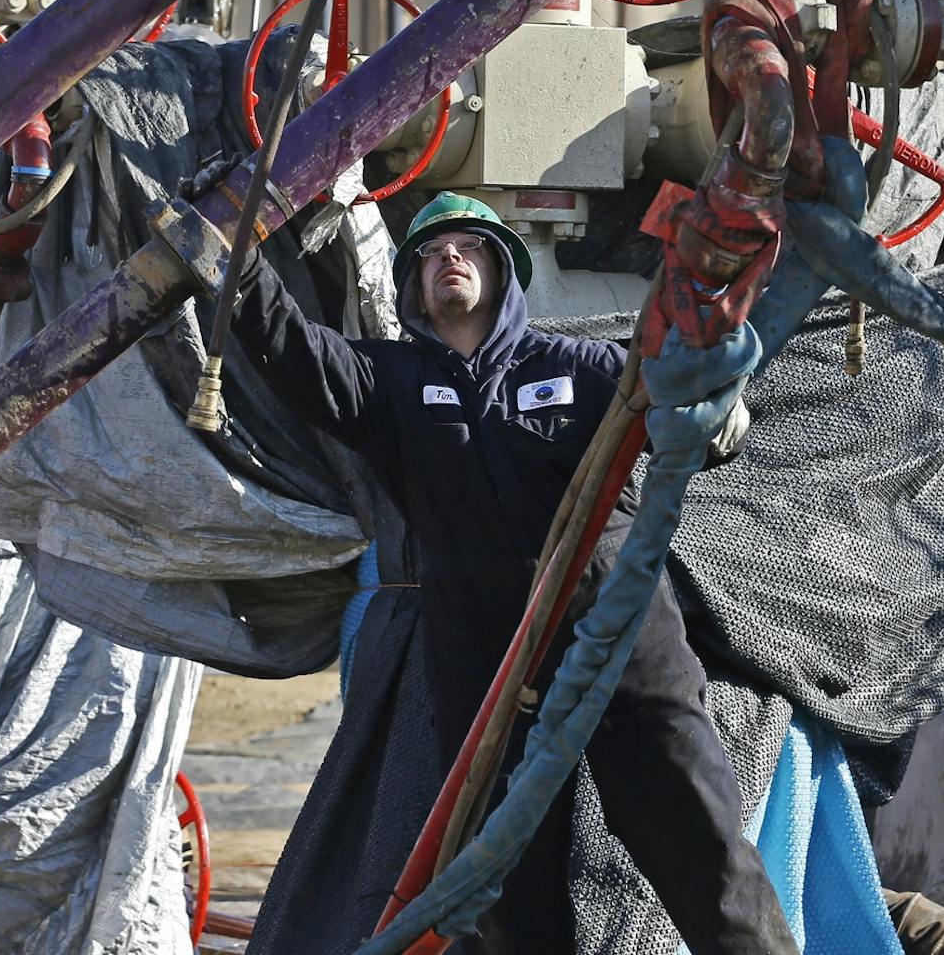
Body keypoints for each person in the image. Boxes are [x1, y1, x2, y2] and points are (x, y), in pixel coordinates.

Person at [225, 191, 796, 953]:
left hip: (619, 639)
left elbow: (684, 421)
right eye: (429, 253)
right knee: (506, 888)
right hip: (482, 662)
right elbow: (285, 345)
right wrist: (236, 241)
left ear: (503, 270)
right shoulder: (386, 383)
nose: (446, 258)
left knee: (699, 839)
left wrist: (715, 408)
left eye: (466, 245)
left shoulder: (586, 368)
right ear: (411, 286)